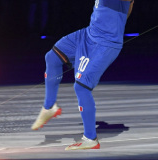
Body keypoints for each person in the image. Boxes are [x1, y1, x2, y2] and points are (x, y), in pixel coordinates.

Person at [31, 0, 134, 150]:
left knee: (81, 87)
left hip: (106, 44)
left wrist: (119, 22)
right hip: (88, 34)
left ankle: (90, 138)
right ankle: (49, 107)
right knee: (52, 57)